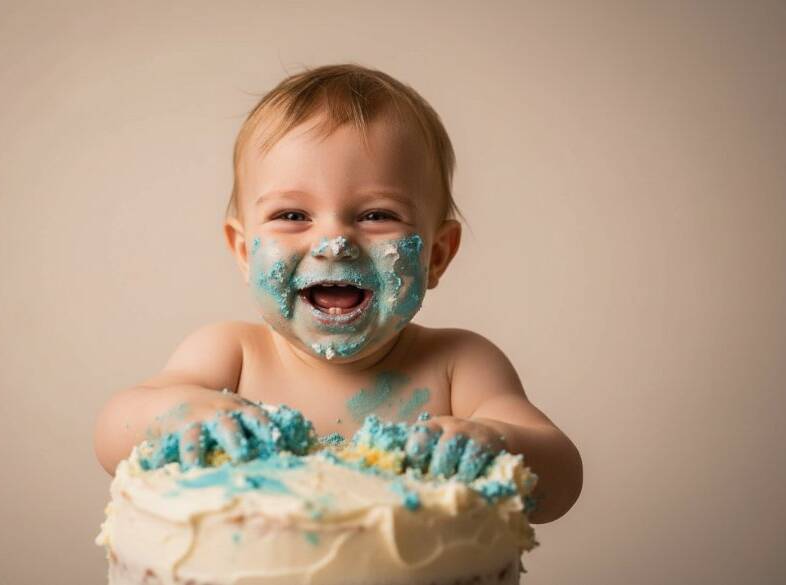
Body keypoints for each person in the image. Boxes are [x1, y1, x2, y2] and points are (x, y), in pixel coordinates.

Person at [94, 63, 582, 524]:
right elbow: (113, 433)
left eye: (377, 215)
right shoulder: (232, 355)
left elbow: (560, 480)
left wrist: (491, 441)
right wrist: (177, 415)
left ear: (436, 255)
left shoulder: (459, 365)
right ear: (244, 251)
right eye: (292, 215)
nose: (334, 242)